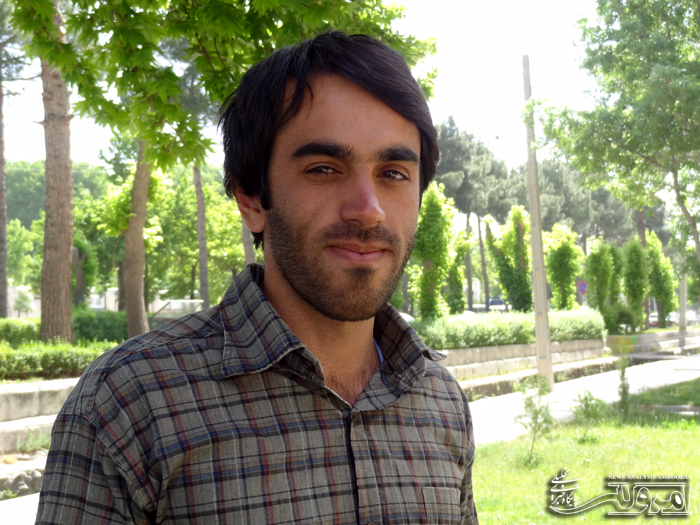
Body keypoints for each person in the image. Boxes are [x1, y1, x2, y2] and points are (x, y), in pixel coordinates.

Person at [36, 31, 477, 524]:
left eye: (393, 173)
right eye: (324, 169)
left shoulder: (442, 403)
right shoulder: (128, 404)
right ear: (250, 198)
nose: (368, 209)